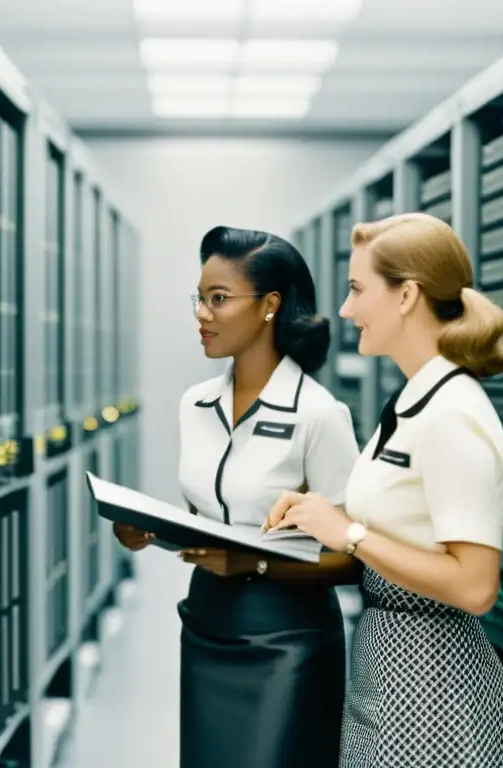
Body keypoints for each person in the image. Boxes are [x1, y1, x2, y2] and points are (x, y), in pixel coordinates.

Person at [266, 212, 503, 767]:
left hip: (433, 691)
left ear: (407, 294)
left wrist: (350, 533)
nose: (345, 309)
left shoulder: (453, 416)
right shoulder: (418, 400)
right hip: (391, 669)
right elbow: (403, 520)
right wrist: (321, 514)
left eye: (358, 289)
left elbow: (476, 585)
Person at [113, 225, 362, 768]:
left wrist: (253, 563)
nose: (201, 313)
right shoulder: (195, 404)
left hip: (286, 640)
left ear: (270, 305)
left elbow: (352, 558)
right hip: (206, 623)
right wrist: (150, 529)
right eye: (199, 298)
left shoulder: (318, 414)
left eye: (219, 299)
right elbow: (214, 514)